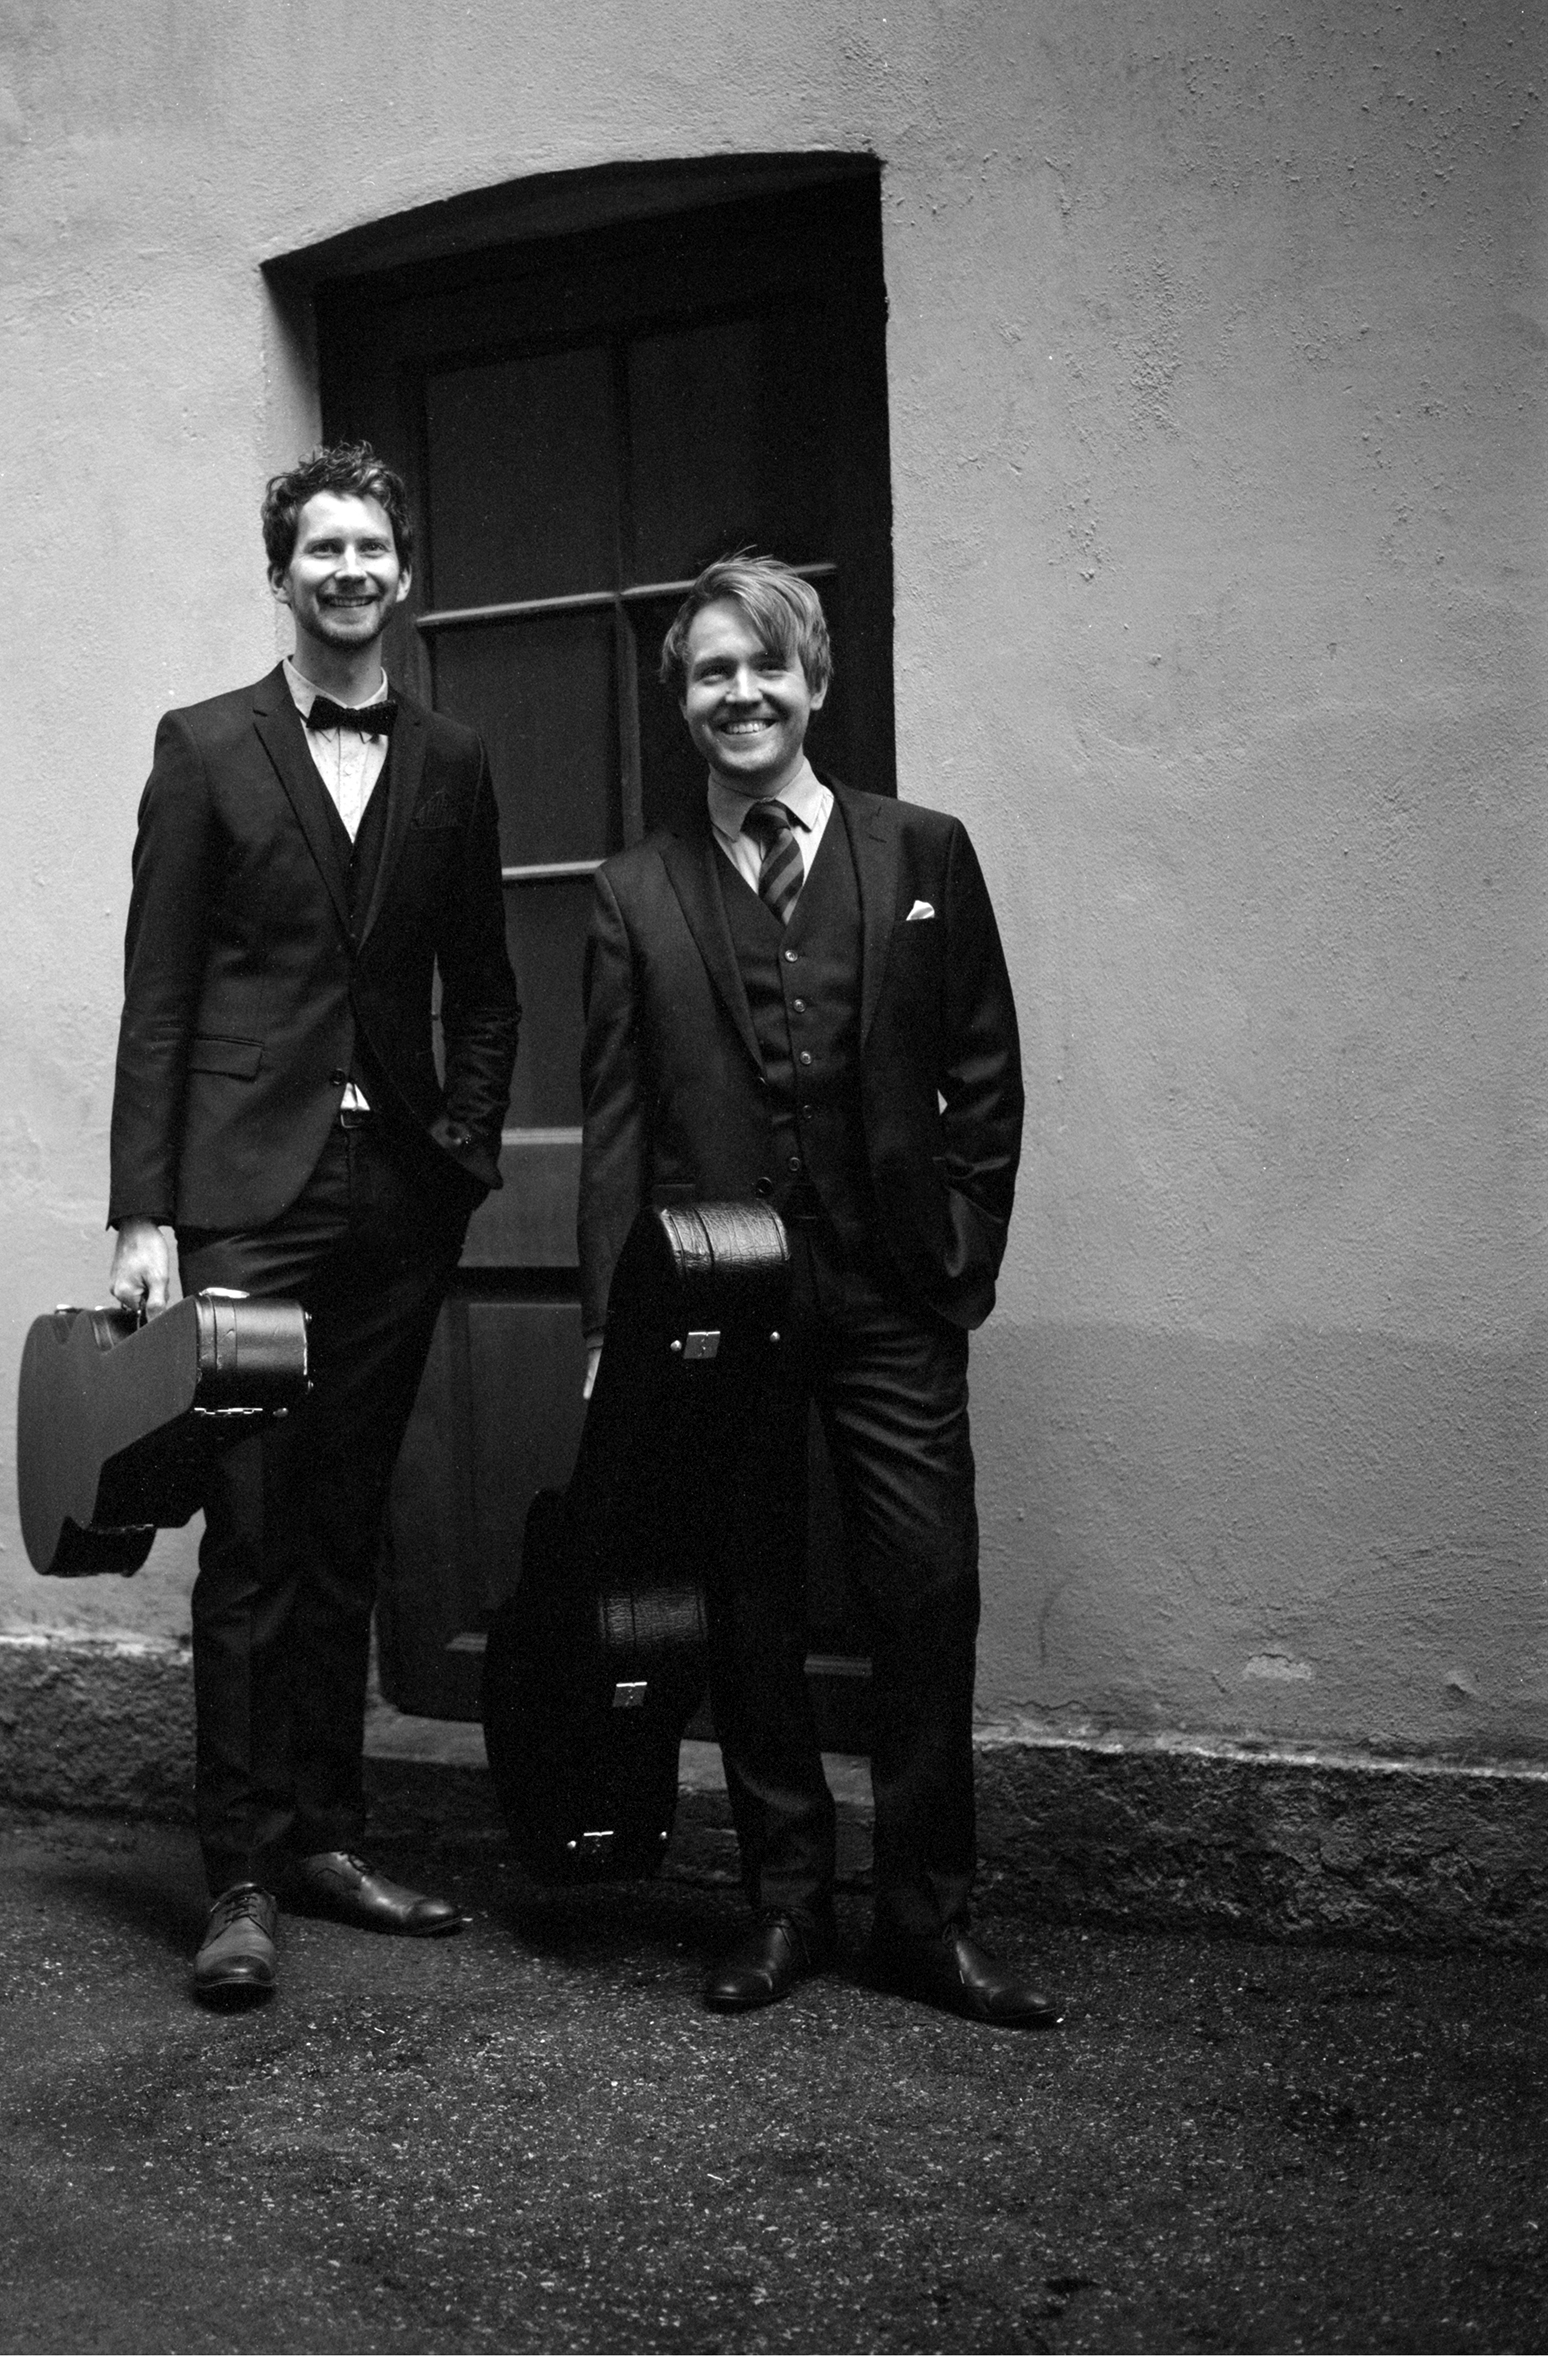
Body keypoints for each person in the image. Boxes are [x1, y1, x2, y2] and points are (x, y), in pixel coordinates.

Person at [577, 554, 1060, 2028]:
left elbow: (984, 1070)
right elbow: (615, 1124)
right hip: (719, 1311)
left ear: (815, 682)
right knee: (749, 1608)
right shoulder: (632, 892)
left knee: (926, 1595)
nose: (742, 694)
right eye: (712, 672)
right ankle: (783, 1903)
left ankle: (925, 1917)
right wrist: (609, 1323)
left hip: (891, 1296)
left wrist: (960, 1251)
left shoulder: (923, 853)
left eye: (765, 667)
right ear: (683, 699)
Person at [106, 442, 520, 2008]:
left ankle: (329, 1837)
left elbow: (486, 987)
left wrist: (460, 1153)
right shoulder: (204, 746)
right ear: (278, 573)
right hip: (243, 1203)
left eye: (371, 548)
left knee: (347, 1529)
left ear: (404, 574)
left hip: (393, 1199)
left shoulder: (453, 760)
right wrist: (145, 1210)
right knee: (252, 1534)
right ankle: (237, 1876)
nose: (348, 570)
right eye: (321, 548)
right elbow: (158, 995)